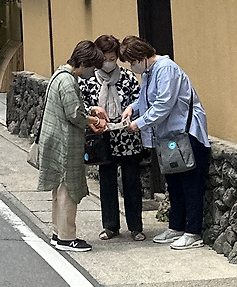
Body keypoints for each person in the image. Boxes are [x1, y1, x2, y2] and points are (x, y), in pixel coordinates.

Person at [119, 35, 210, 251]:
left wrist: (140, 123)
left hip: (186, 133)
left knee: (190, 184)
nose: (132, 67)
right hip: (170, 136)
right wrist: (133, 108)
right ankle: (176, 227)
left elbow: (163, 103)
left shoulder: (166, 68)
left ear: (141, 56)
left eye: (132, 62)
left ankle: (193, 232)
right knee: (174, 183)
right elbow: (146, 99)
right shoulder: (149, 72)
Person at [36, 39, 105, 251]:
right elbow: (74, 113)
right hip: (66, 143)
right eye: (92, 67)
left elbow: (72, 107)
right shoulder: (68, 81)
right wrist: (94, 120)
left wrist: (90, 111)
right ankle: (67, 238)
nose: (92, 72)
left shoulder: (60, 75)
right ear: (83, 62)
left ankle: (58, 233)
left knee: (59, 191)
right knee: (68, 191)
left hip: (55, 141)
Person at [84, 34, 146, 241]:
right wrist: (94, 113)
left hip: (127, 137)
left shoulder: (127, 77)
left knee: (131, 182)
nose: (109, 63)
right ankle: (110, 226)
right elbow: (82, 105)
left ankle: (136, 226)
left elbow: (139, 100)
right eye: (104, 59)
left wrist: (130, 116)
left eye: (112, 58)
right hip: (102, 138)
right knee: (107, 182)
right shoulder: (89, 79)